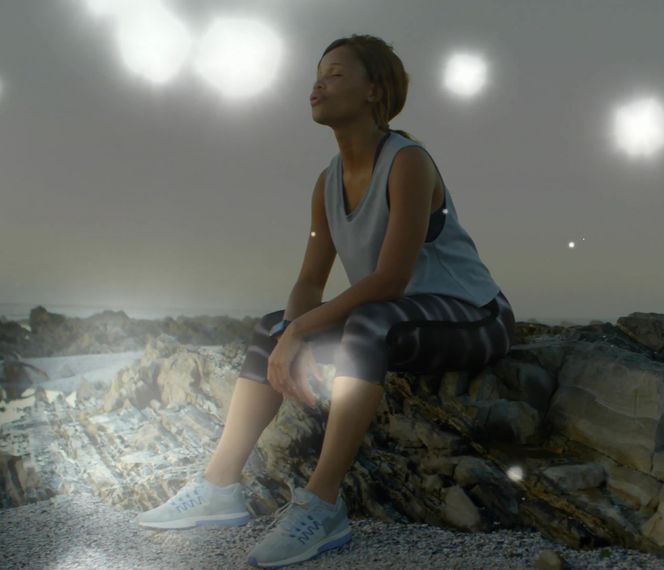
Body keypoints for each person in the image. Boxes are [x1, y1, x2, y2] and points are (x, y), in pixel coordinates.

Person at [135, 34, 515, 568]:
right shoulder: (327, 183)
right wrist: (292, 331)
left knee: (370, 323)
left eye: (336, 74)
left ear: (372, 92)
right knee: (272, 325)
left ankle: (322, 504)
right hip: (401, 313)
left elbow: (390, 279)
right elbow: (310, 282)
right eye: (317, 73)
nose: (318, 84)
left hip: (476, 315)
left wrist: (304, 331)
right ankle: (219, 487)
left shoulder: (408, 163)